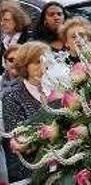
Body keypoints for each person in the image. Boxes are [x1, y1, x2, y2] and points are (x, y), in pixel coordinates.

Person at [2, 41, 51, 183]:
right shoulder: (11, 95)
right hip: (28, 167)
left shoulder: (57, 88)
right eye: (37, 62)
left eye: (46, 61)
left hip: (60, 159)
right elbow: (19, 138)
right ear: (24, 66)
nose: (43, 66)